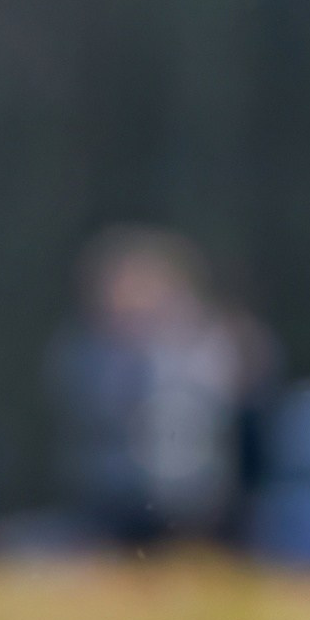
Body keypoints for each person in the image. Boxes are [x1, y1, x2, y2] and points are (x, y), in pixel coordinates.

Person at [48, 226, 272, 546]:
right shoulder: (89, 349)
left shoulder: (207, 341)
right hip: (115, 497)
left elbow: (230, 400)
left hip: (197, 495)